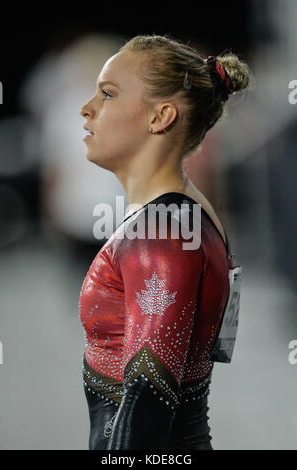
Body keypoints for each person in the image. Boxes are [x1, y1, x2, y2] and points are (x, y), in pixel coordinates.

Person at [79, 34, 253, 450]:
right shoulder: (186, 216)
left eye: (107, 94)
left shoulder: (159, 236)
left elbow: (148, 398)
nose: (87, 108)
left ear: (161, 117)